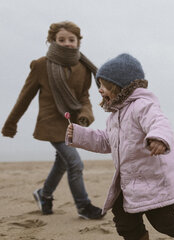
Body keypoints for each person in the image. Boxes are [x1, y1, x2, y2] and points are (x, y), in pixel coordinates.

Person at [66, 53, 174, 240]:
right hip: (129, 181)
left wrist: (158, 138)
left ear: (120, 85)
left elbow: (158, 122)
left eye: (104, 85)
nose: (100, 90)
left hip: (156, 180)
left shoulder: (142, 105)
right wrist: (79, 135)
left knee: (165, 223)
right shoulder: (114, 117)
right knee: (125, 221)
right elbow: (106, 141)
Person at [1, 21, 104, 220]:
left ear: (78, 42)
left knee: (63, 162)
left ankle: (44, 194)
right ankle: (84, 206)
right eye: (61, 39)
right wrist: (11, 124)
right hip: (51, 122)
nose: (67, 43)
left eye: (71, 40)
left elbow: (84, 97)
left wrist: (85, 114)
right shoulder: (41, 65)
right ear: (52, 41)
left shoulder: (83, 67)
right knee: (75, 163)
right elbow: (25, 97)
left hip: (71, 124)